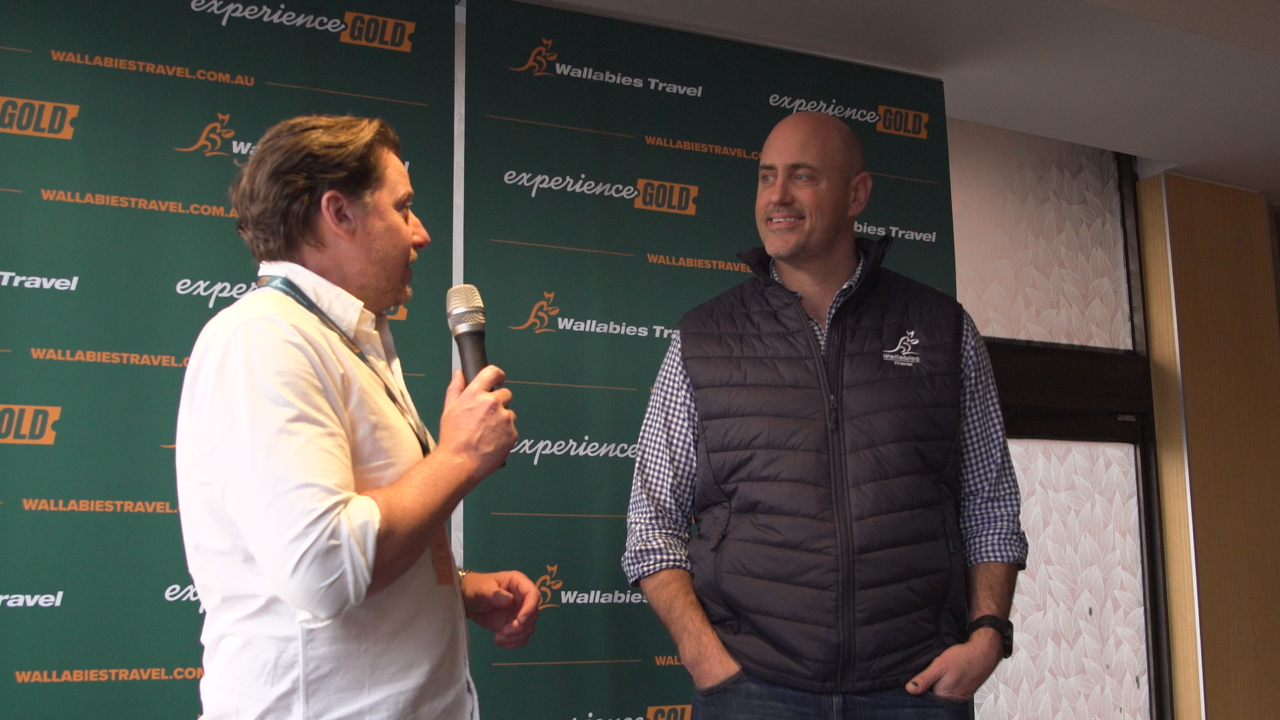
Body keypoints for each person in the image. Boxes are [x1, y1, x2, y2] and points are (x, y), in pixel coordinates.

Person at [623, 112, 1028, 719]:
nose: (777, 196)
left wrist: (990, 633)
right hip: (753, 690)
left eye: (802, 176)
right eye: (766, 177)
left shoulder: (943, 329)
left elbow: (989, 502)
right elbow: (650, 524)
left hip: (917, 690)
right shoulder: (702, 337)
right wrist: (706, 657)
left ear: (856, 194)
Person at [176, 115, 536, 720]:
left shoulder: (342, 339)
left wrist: (455, 586)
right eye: (404, 209)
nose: (421, 234)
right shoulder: (266, 339)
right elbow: (322, 567)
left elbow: (355, 532)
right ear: (338, 213)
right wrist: (457, 459)